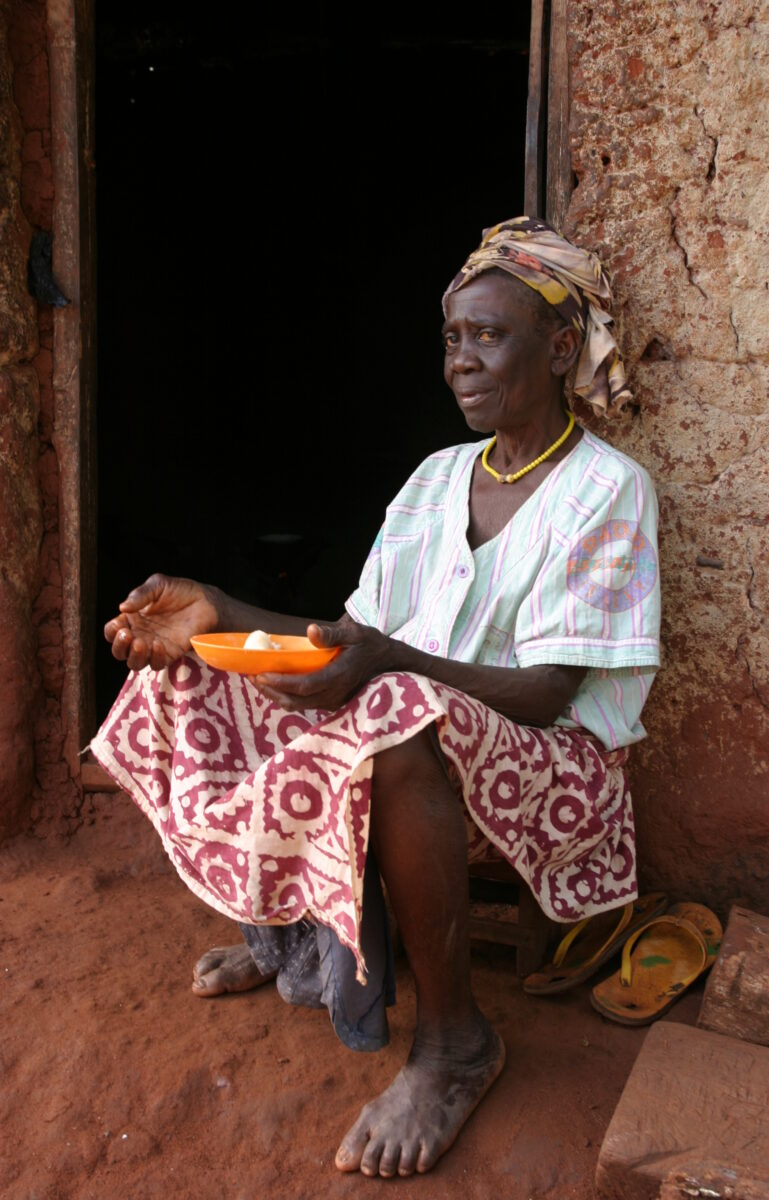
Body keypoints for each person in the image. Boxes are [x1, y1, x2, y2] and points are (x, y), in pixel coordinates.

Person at [93, 216, 660, 1179]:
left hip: (550, 760)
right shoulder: (437, 479)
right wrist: (219, 611)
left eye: (490, 336)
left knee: (397, 717)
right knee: (186, 672)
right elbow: (347, 642)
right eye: (452, 339)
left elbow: (546, 692)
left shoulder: (609, 490)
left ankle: (455, 1043)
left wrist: (393, 665)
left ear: (562, 348)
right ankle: (282, 923)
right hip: (410, 715)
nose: (461, 363)